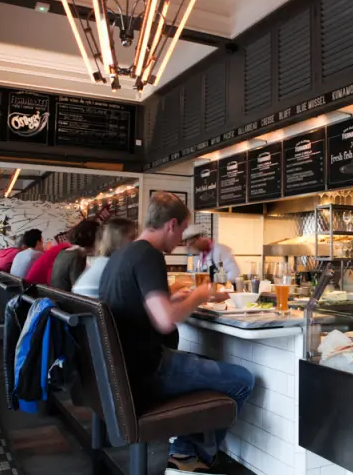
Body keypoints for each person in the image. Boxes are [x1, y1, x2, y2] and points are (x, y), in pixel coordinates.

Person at [99, 192, 254, 474]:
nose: (181, 240)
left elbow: (139, 305)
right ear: (171, 224)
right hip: (147, 372)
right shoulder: (149, 255)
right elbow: (165, 321)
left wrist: (175, 298)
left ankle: (185, 451)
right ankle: (188, 456)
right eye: (182, 231)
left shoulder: (123, 254)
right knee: (243, 380)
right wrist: (199, 294)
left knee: (204, 362)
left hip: (124, 370)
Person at [72, 217, 137, 298]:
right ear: (119, 242)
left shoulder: (101, 262)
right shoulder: (116, 266)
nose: (136, 241)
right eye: (133, 237)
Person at [50, 219, 100, 291]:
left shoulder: (64, 252)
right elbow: (79, 289)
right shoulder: (75, 257)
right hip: (65, 297)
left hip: (57, 294)